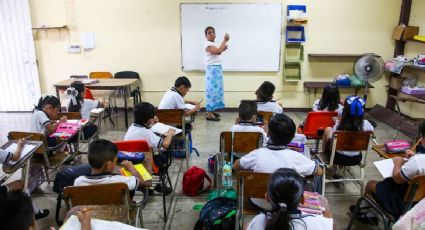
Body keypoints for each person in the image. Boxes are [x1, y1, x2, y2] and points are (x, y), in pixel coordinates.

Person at [233, 114, 323, 210]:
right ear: (292, 137)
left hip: (258, 202)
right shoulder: (296, 157)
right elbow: (319, 171)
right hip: (289, 204)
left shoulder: (256, 154)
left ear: (268, 134)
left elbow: (235, 166)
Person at [247, 168, 333, 230]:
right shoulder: (317, 223)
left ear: (267, 198)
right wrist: (327, 209)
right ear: (302, 200)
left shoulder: (259, 221)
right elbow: (330, 225)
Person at [352, 153, 425, 223]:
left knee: (370, 184)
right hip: (420, 205)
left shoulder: (417, 161)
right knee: (387, 184)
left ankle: (365, 213)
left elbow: (397, 179)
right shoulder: (418, 159)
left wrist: (398, 162)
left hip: (401, 205)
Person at [74, 139, 151, 192]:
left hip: (90, 214)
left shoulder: (78, 182)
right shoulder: (120, 182)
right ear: (108, 165)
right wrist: (131, 168)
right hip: (118, 214)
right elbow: (143, 182)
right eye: (115, 161)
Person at [322, 95, 374, 167]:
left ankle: (325, 155)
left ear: (345, 111)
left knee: (328, 129)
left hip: (337, 158)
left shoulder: (338, 126)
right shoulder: (367, 125)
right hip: (356, 159)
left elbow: (331, 140)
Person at [204, 26, 229, 121]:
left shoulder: (212, 44)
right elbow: (218, 52)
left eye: (213, 32)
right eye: (209, 33)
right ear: (206, 35)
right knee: (212, 92)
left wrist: (223, 48)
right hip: (212, 70)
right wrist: (225, 41)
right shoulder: (207, 44)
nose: (211, 34)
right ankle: (209, 114)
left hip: (216, 70)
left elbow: (218, 51)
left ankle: (211, 110)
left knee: (216, 91)